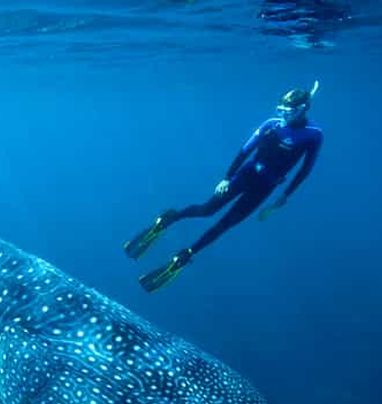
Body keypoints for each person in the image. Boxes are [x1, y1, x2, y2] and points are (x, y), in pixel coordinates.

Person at [124, 81, 324, 292]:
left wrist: (286, 195)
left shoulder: (313, 134)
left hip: (265, 187)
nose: (282, 114)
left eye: (287, 110)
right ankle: (170, 217)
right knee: (207, 210)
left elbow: (305, 169)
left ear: (302, 109)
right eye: (280, 109)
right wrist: (227, 178)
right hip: (245, 176)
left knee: (227, 223)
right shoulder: (271, 124)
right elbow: (245, 150)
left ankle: (187, 254)